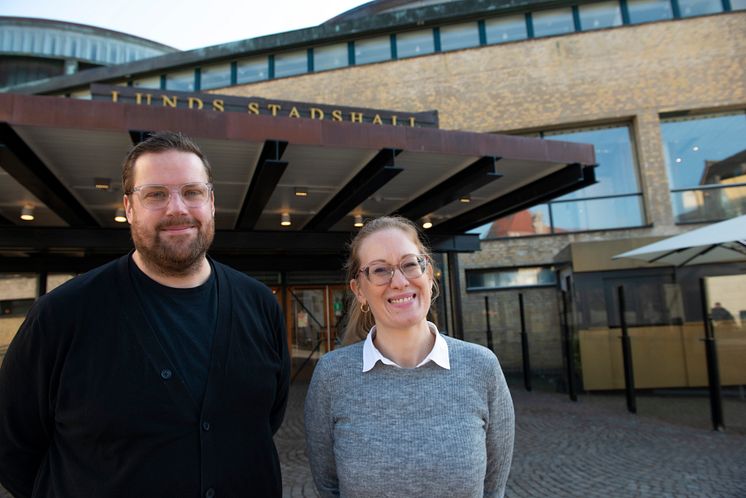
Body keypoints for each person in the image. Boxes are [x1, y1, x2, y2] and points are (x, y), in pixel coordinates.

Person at [0, 131, 290, 497]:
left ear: (212, 202)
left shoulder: (260, 304)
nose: (177, 209)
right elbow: (12, 447)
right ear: (129, 207)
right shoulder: (61, 315)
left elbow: (265, 419)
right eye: (155, 194)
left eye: (192, 192)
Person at [304, 216, 515, 498]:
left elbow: (493, 489)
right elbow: (328, 487)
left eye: (409, 264)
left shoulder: (481, 367)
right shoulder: (332, 375)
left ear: (428, 273)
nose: (400, 282)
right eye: (380, 270)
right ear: (359, 291)